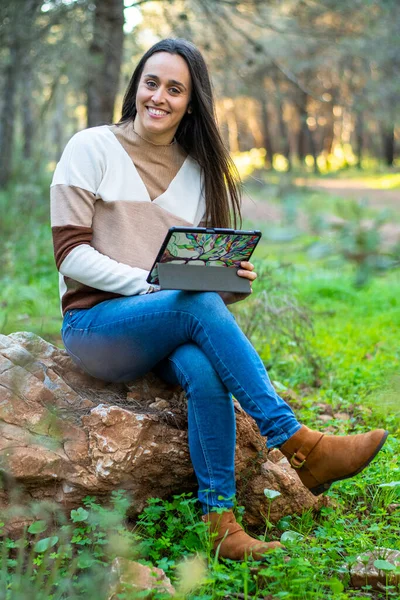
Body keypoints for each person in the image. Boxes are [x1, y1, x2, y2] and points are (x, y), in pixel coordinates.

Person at [50, 38, 388, 561]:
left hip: (161, 327)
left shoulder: (199, 172)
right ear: (136, 86)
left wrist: (230, 278)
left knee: (205, 369)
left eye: (175, 89)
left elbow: (195, 283)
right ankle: (296, 442)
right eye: (151, 82)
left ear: (191, 103)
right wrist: (159, 285)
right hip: (95, 328)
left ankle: (220, 524)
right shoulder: (90, 147)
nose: (159, 96)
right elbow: (71, 255)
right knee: (191, 303)